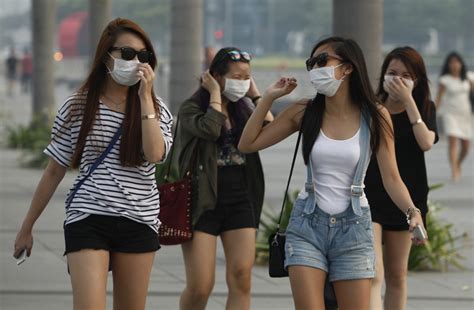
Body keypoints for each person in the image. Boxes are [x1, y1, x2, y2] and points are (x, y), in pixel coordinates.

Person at [238, 37, 427, 310]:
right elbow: (248, 144)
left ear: (348, 68)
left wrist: (412, 211)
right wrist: (267, 98)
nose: (315, 68)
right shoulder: (305, 111)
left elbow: (391, 176)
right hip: (306, 226)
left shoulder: (375, 115)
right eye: (311, 63)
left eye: (322, 61)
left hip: (354, 230)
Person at [13, 18, 173, 310]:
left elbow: (154, 155)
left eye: (143, 56)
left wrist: (146, 100)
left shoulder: (158, 109)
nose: (135, 62)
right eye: (127, 54)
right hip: (89, 215)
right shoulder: (78, 106)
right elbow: (54, 170)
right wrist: (27, 227)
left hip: (139, 218)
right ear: (106, 55)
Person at [172, 47, 273, 310]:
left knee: (242, 278)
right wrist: (215, 94)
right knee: (200, 286)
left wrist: (257, 95)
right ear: (215, 76)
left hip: (241, 197)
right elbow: (210, 128)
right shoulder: (191, 108)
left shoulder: (245, 108)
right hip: (203, 200)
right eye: (236, 77)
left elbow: (269, 128)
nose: (241, 83)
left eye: (246, 77)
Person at [364, 47, 438, 310]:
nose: (397, 79)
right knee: (374, 273)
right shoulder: (372, 107)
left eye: (406, 75)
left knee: (397, 275)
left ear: (417, 79)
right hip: (370, 194)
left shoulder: (423, 108)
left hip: (408, 196)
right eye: (392, 73)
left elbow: (426, 142)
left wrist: (409, 103)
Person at [435, 52, 473, 182]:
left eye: (457, 62)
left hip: (465, 114)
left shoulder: (469, 78)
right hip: (450, 114)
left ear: (461, 64)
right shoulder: (444, 80)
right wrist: (431, 113)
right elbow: (438, 99)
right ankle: (454, 170)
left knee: (466, 146)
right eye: (451, 62)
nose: (454, 65)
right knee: (453, 142)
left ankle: (458, 163)